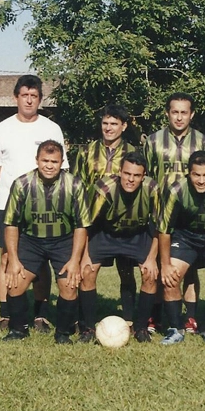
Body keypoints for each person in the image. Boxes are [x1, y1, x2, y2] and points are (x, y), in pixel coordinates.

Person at [0, 74, 69, 333]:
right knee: (7, 259)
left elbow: (61, 169)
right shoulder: (1, 129)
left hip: (46, 209)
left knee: (41, 260)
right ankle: (6, 315)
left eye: (34, 96)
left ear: (40, 99)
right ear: (16, 97)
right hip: (11, 207)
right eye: (25, 95)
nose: (29, 100)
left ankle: (40, 315)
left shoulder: (51, 129)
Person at [143, 92, 205, 334]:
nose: (179, 117)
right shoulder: (153, 141)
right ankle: (156, 317)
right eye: (174, 112)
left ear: (191, 114)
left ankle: (191, 317)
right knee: (160, 265)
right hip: (162, 212)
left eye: (184, 112)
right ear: (167, 113)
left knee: (191, 269)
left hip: (193, 215)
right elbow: (147, 177)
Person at [2, 140, 91, 344]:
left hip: (63, 240)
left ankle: (62, 333)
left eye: (54, 161)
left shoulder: (74, 185)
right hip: (32, 240)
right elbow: (11, 224)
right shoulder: (22, 184)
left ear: (62, 162)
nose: (49, 165)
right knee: (15, 284)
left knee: (69, 285)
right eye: (45, 160)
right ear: (37, 160)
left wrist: (75, 261)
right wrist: (13, 260)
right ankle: (18, 330)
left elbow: (81, 226)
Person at [157, 151, 205, 349]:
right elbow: (164, 230)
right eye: (196, 175)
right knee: (170, 277)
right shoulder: (176, 190)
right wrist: (165, 264)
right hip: (185, 236)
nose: (201, 181)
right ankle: (176, 329)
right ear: (188, 174)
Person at [79, 151, 160, 343]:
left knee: (149, 274)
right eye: (127, 173)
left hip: (137, 234)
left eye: (136, 175)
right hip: (106, 233)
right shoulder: (103, 189)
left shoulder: (152, 189)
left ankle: (140, 327)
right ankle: (88, 327)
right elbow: (85, 223)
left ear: (144, 175)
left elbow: (159, 227)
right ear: (119, 172)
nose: (131, 179)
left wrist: (151, 259)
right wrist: (84, 256)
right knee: (87, 271)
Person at [72, 104, 139, 329]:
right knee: (88, 270)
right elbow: (77, 185)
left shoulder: (133, 151)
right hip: (94, 221)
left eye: (114, 124)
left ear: (124, 126)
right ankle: (86, 322)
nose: (109, 128)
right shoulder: (87, 151)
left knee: (126, 272)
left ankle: (129, 318)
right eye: (105, 123)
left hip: (124, 220)